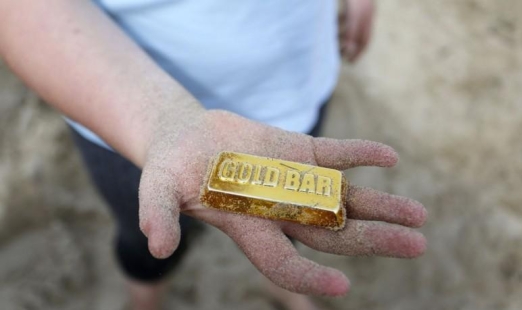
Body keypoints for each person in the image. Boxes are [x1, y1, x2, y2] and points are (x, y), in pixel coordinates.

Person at [0, 1, 427, 309]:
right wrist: (160, 123)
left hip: (296, 86)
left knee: (291, 217)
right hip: (126, 110)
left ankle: (281, 283)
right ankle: (145, 294)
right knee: (148, 234)